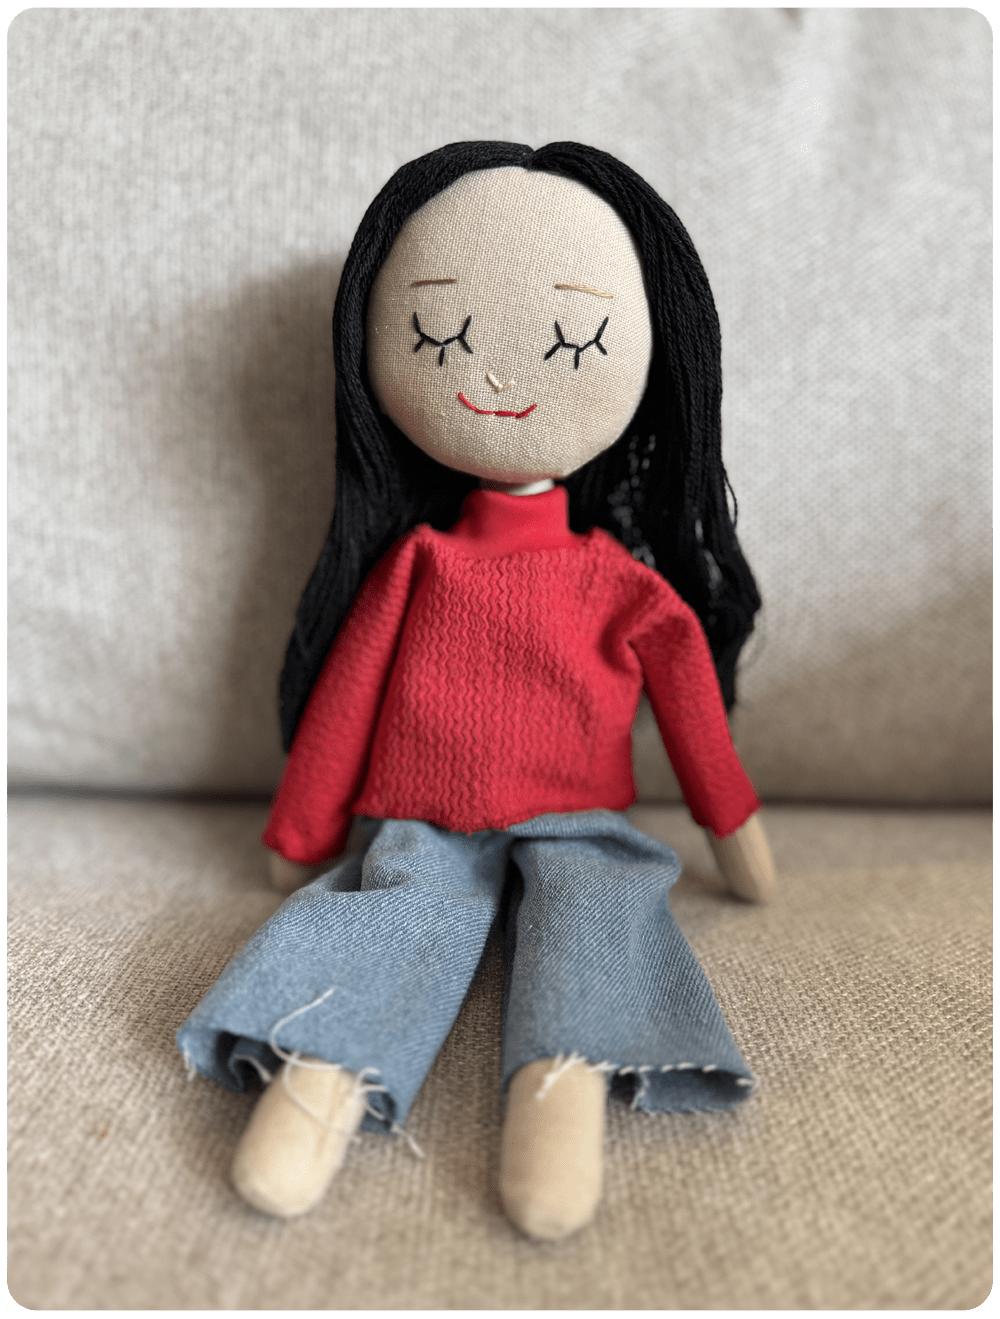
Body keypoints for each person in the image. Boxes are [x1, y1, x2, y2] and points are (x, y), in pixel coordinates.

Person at [177, 141, 776, 1240]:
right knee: (395, 904)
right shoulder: (416, 564)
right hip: (423, 812)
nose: (494, 378)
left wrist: (730, 820)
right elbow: (348, 699)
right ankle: (320, 1066)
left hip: (579, 815)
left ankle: (563, 1089)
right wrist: (305, 825)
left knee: (597, 910)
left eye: (575, 342)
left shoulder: (622, 584)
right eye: (442, 335)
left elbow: (692, 703)